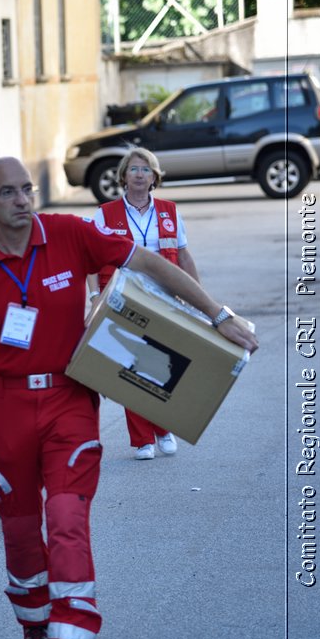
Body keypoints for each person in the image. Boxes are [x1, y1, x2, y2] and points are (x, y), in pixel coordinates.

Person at [0, 156, 258, 639]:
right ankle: (33, 625)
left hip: (68, 398)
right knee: (21, 527)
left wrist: (219, 316)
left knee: (68, 517)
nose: (23, 200)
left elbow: (149, 263)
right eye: (8, 192)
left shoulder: (71, 234)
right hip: (4, 408)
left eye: (27, 189)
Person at [87, 146, 200, 460]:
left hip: (164, 299)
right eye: (134, 169)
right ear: (123, 176)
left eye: (146, 169)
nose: (139, 175)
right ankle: (142, 440)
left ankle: (163, 429)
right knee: (132, 365)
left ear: (154, 177)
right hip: (123, 299)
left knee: (163, 364)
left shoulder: (169, 211)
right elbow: (91, 261)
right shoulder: (105, 213)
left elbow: (185, 255)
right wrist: (95, 297)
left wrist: (197, 297)